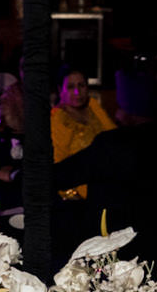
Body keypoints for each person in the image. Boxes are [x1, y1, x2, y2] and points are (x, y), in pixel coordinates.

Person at [50, 72, 157, 261]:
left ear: (128, 111)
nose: (116, 113)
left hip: (120, 257)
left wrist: (16, 174)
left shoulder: (112, 144)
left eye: (119, 106)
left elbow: (61, 175)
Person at [49, 65, 115, 201]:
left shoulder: (93, 106)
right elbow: (56, 168)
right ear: (59, 90)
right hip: (82, 197)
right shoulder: (57, 119)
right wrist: (73, 197)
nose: (78, 92)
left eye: (82, 85)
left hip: (110, 186)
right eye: (71, 87)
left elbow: (114, 138)